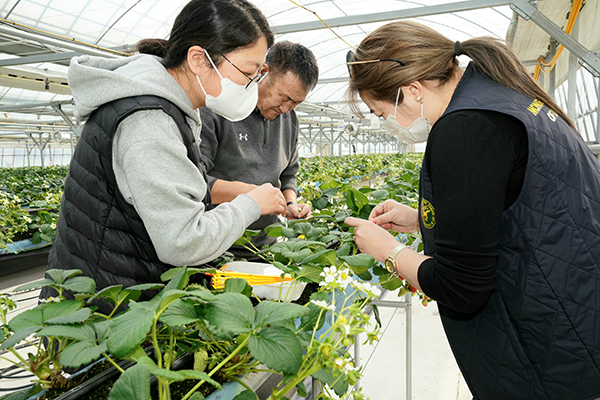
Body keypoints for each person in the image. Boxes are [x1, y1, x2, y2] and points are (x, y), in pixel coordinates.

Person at [344, 21, 600, 400]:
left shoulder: (466, 128)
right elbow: (524, 208)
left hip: (549, 352)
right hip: (578, 319)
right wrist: (422, 220)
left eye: (381, 113)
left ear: (411, 91)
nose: (387, 124)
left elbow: (461, 287)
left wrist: (388, 251)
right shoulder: (502, 97)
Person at [40, 0, 287, 314]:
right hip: (104, 311)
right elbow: (183, 241)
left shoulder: (167, 108)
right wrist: (252, 205)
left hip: (118, 287)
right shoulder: (148, 121)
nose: (252, 86)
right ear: (198, 59)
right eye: (249, 72)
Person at [199, 40, 319, 259]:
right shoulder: (218, 109)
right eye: (284, 97)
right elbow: (193, 182)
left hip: (264, 247)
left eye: (295, 103)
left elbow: (288, 173)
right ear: (263, 72)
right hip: (215, 248)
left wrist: (290, 203)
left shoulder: (289, 119)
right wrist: (252, 195)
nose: (285, 109)